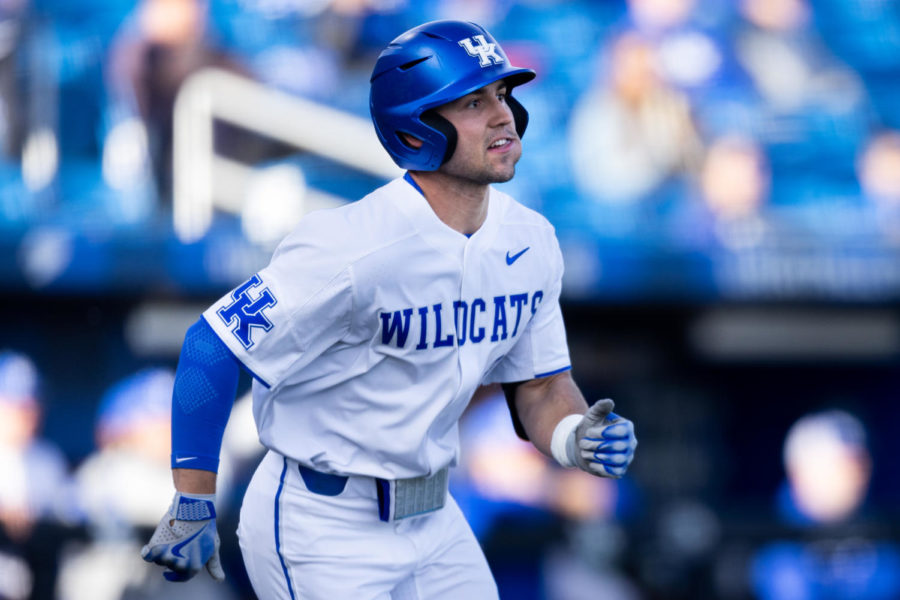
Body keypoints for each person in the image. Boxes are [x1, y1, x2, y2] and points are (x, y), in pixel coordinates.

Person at [140, 20, 638, 599]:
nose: (503, 115)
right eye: (474, 102)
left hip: (435, 513)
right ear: (416, 129)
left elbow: (540, 388)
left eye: (502, 95)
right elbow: (211, 346)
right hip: (323, 522)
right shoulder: (347, 244)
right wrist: (194, 498)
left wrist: (575, 434)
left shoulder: (531, 240)